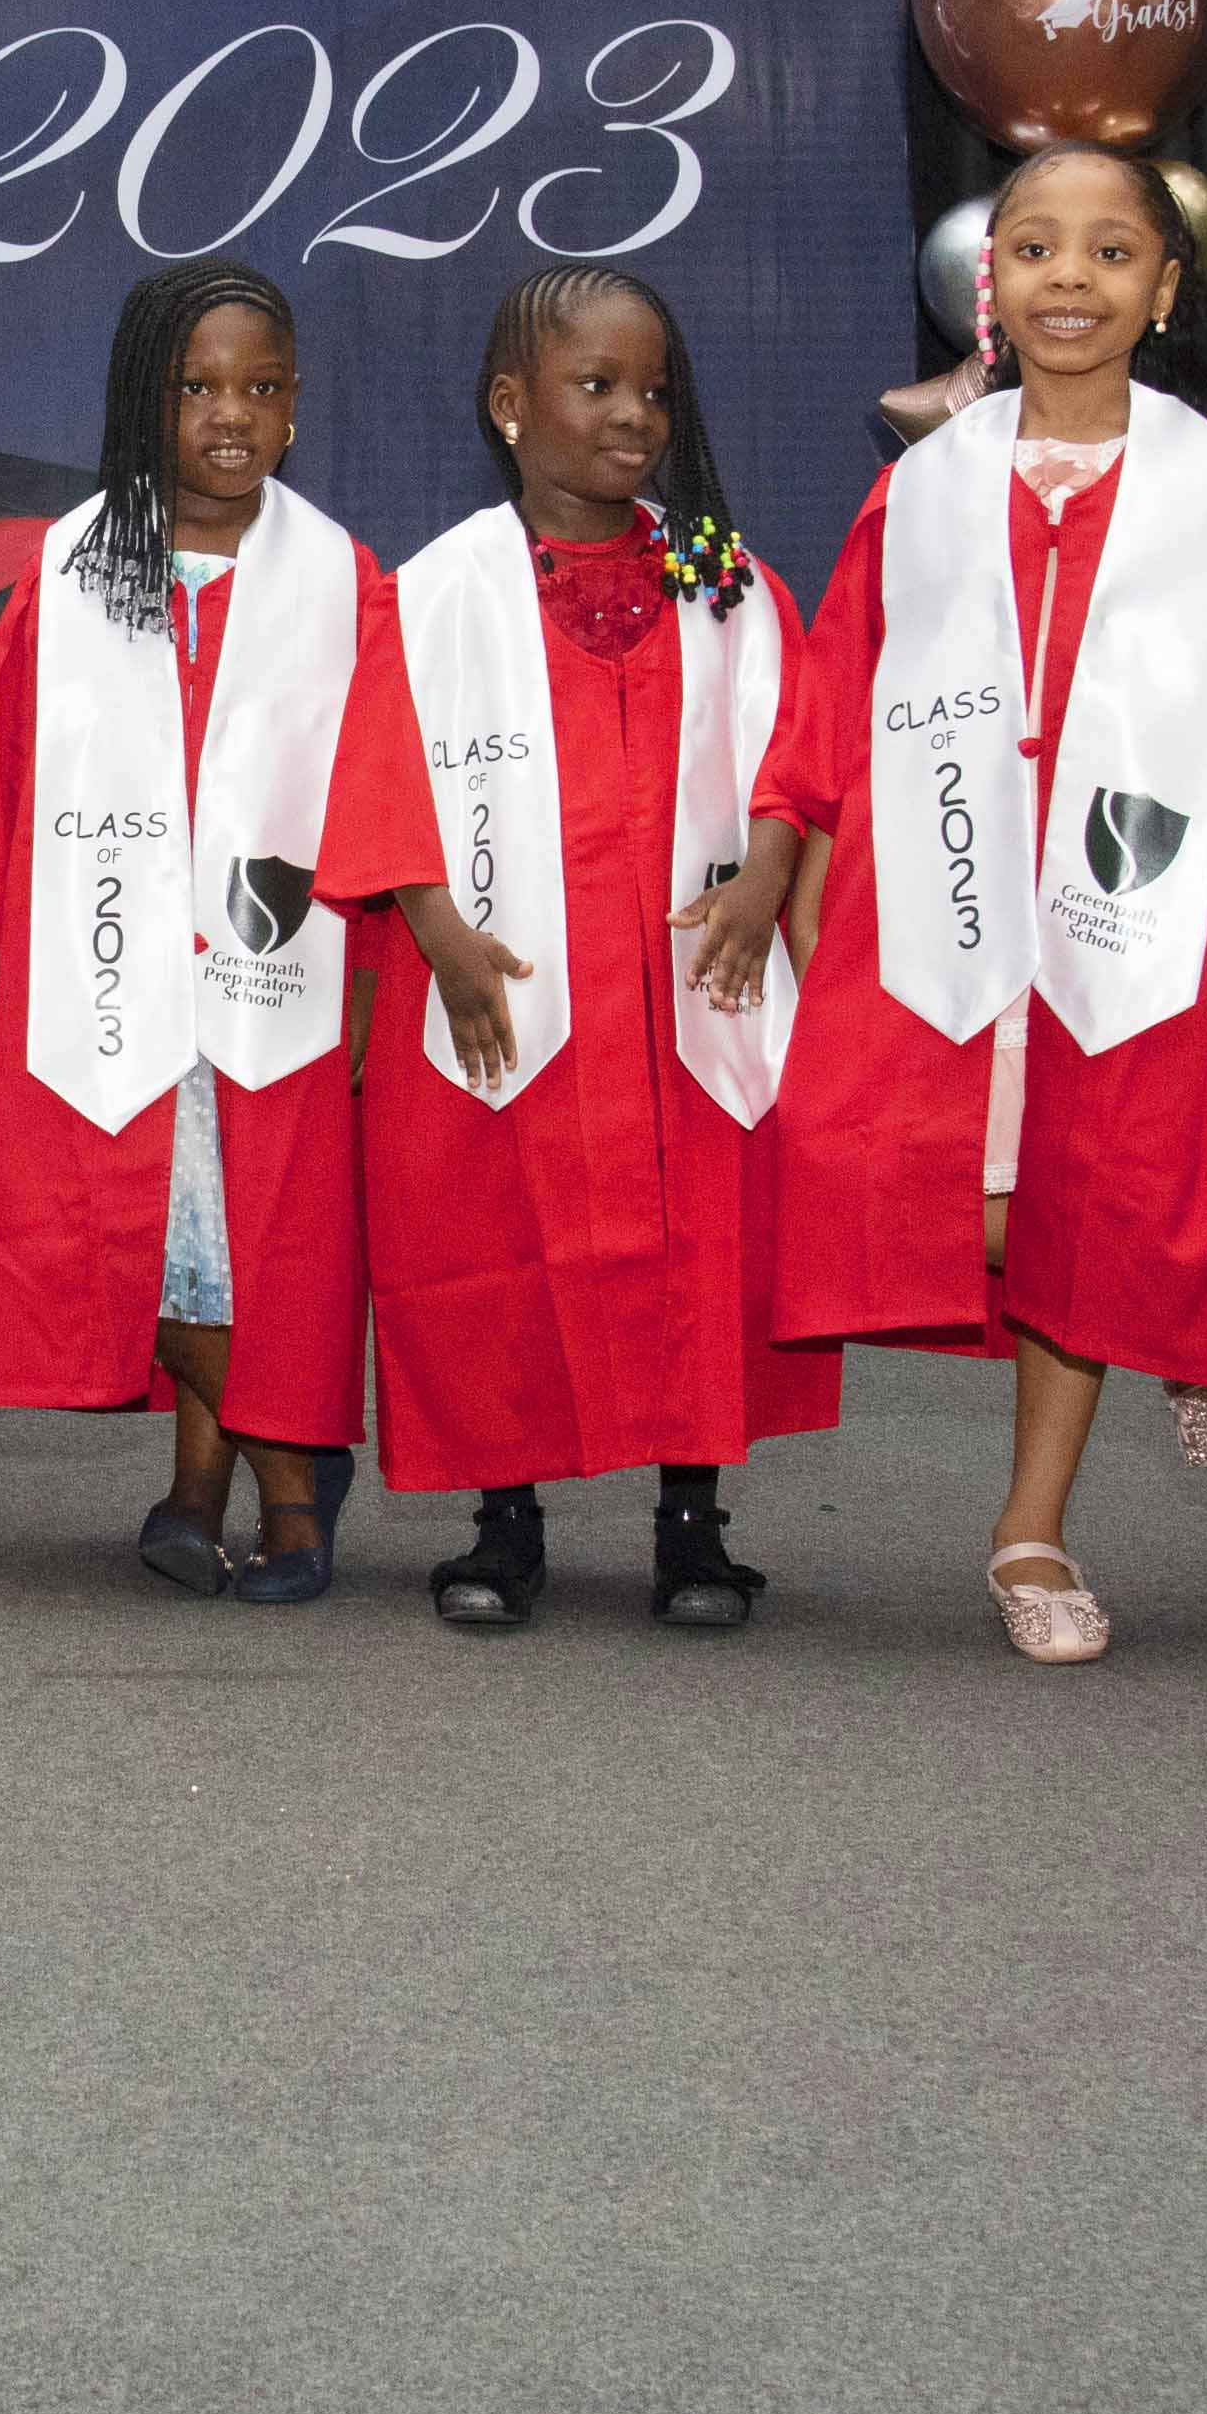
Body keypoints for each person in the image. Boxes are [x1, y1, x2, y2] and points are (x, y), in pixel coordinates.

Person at [761, 147, 1207, 1667]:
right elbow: (841, 684)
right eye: (1035, 248)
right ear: (988, 286)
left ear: (1166, 288)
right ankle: (1173, 1309)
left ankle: (1033, 1527)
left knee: (1107, 1173)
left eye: (1111, 251)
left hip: (1131, 906)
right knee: (940, 1177)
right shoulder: (924, 486)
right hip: (943, 894)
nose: (1070, 276)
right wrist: (805, 885)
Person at [322, 269, 815, 1637]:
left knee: (694, 1242)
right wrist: (438, 936)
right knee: (491, 1242)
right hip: (505, 975)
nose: (634, 415)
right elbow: (379, 774)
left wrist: (767, 876)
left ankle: (692, 1521)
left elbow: (793, 747)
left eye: (653, 389)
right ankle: (507, 1517)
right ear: (509, 405)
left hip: (678, 984)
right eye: (595, 386)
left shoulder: (719, 574)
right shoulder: (440, 589)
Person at [0, 262, 387, 1604]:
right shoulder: (68, 573)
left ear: (297, 407)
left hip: (276, 974)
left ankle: (240, 1486)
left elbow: (379, 788)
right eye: (195, 388)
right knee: (151, 1236)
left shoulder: (340, 577)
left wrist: (369, 980)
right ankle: (269, 1470)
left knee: (254, 1240)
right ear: (144, 403)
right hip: (103, 972)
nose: (230, 414)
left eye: (260, 387)